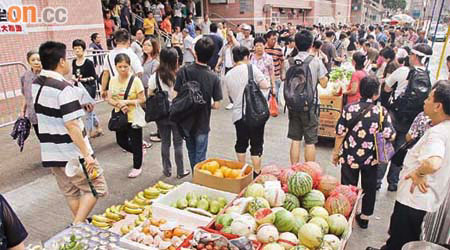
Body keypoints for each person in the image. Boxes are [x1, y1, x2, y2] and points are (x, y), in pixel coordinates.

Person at [367, 81, 450, 250]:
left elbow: (434, 163)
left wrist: (418, 173)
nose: (425, 101)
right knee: (402, 240)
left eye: (428, 98)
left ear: (438, 106)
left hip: (414, 201)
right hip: (424, 201)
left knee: (400, 241)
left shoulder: (438, 133)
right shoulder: (445, 128)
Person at [33, 41, 107, 224]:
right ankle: (77, 225)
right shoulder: (63, 89)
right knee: (97, 187)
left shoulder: (36, 83)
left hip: (51, 152)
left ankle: (81, 225)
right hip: (72, 153)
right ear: (61, 62)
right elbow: (72, 125)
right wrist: (87, 155)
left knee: (71, 192)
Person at [333, 76, 396, 229]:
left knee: (348, 188)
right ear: (376, 94)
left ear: (360, 91)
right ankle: (365, 217)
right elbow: (390, 135)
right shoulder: (381, 112)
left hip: (350, 157)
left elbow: (340, 132)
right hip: (371, 159)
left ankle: (346, 216)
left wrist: (336, 153)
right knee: (369, 187)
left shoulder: (349, 108)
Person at [381, 43, 433, 192]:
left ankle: (378, 181)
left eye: (411, 55)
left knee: (385, 148)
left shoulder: (403, 71)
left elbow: (386, 88)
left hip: (394, 116)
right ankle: (393, 183)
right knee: (400, 150)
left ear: (415, 56)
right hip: (411, 122)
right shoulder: (429, 76)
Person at [174, 37, 223, 169]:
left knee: (191, 151)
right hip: (202, 122)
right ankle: (199, 180)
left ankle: (195, 177)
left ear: (195, 52)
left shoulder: (183, 71)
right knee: (201, 156)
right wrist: (206, 103)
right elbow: (217, 105)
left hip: (186, 121)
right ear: (211, 55)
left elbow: (175, 94)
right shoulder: (213, 77)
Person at [224, 46, 270, 176]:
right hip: (255, 114)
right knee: (256, 144)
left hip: (238, 115)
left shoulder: (228, 75)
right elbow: (265, 85)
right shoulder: (251, 68)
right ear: (246, 57)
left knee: (241, 143)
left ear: (234, 58)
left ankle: (242, 171)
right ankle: (256, 173)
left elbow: (231, 97)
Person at [148, 48, 190, 179]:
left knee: (165, 142)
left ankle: (167, 170)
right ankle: (180, 171)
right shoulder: (181, 74)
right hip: (177, 113)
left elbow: (149, 94)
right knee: (178, 143)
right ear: (175, 60)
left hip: (161, 114)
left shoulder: (155, 76)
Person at [288, 30, 328, 164]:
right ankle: (309, 171)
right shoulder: (315, 61)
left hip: (293, 104)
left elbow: (284, 78)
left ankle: (293, 169)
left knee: (295, 139)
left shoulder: (290, 61)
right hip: (310, 105)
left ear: (296, 45)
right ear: (311, 44)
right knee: (310, 141)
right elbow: (323, 84)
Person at [107, 53, 146, 178]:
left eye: (125, 66)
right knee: (121, 141)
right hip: (120, 117)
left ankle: (137, 166)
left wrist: (127, 102)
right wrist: (119, 105)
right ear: (116, 67)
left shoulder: (136, 81)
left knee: (136, 141)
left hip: (134, 117)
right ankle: (138, 152)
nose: (123, 69)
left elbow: (142, 99)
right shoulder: (113, 80)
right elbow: (109, 99)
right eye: (120, 66)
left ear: (130, 66)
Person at [72, 39, 103, 138]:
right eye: (75, 48)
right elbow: (73, 73)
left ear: (83, 49)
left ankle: (89, 132)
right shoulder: (74, 62)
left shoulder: (88, 62)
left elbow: (94, 76)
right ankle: (98, 127)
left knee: (88, 111)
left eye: (79, 48)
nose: (77, 50)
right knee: (89, 111)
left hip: (89, 88)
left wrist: (84, 79)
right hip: (79, 89)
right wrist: (74, 78)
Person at [101, 29, 144, 99]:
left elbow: (105, 73)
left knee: (118, 108)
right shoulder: (130, 53)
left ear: (115, 41)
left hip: (115, 89)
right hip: (130, 90)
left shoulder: (108, 55)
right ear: (128, 41)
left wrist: (103, 90)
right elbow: (139, 72)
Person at [216, 30, 239, 110]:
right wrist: (217, 65)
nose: (227, 37)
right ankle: (232, 101)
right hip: (226, 68)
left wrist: (232, 35)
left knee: (235, 85)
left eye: (229, 36)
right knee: (228, 85)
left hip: (234, 67)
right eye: (227, 36)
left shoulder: (235, 45)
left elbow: (238, 46)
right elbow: (221, 56)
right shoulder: (225, 46)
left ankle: (237, 101)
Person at [20, 50, 41, 135]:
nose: (36, 62)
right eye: (33, 60)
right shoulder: (25, 76)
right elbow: (25, 95)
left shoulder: (47, 74)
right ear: (28, 61)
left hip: (47, 114)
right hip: (34, 114)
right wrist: (22, 111)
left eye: (38, 60)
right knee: (41, 139)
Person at [265, 31, 284, 101]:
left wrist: (282, 73)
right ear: (267, 39)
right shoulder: (263, 48)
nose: (274, 41)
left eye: (275, 39)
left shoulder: (279, 49)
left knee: (275, 95)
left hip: (276, 76)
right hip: (266, 76)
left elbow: (282, 61)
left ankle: (274, 110)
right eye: (272, 39)